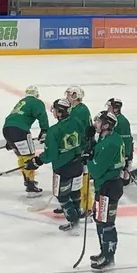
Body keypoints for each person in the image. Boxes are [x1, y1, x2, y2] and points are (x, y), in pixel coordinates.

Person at [31, 98, 88, 232]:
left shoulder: (54, 130)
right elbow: (84, 140)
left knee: (61, 195)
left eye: (55, 110)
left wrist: (36, 161)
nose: (54, 112)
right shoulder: (77, 122)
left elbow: (51, 155)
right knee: (75, 191)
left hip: (63, 168)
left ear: (60, 112)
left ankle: (73, 221)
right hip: (78, 163)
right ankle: (77, 216)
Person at [86, 110, 129, 273]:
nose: (95, 123)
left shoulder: (111, 143)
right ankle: (104, 253)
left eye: (99, 121)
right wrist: (90, 143)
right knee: (100, 220)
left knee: (107, 224)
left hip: (109, 187)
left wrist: (89, 159)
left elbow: (96, 171)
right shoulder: (107, 138)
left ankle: (109, 258)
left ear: (106, 125)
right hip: (104, 186)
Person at [2, 86, 52, 195]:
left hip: (7, 129)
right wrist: (45, 130)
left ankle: (27, 180)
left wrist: (10, 141)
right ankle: (30, 184)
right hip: (20, 131)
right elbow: (42, 116)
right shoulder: (37, 102)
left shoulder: (22, 102)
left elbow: (13, 118)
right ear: (37, 94)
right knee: (29, 157)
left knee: (21, 156)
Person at [105, 98, 137, 185]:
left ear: (116, 109)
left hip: (124, 153)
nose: (107, 109)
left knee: (124, 182)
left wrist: (126, 156)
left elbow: (127, 140)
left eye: (109, 107)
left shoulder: (122, 121)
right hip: (115, 152)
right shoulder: (110, 119)